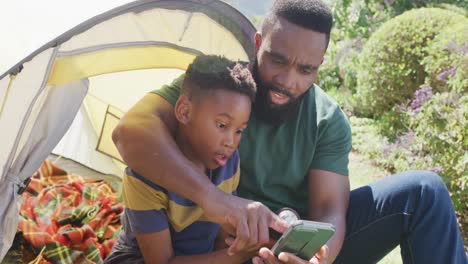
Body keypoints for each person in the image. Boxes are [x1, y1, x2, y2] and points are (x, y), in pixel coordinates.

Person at [112, 0, 468, 263]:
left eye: (306, 70)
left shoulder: (327, 120)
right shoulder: (216, 87)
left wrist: (318, 257)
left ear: (320, 66)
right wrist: (217, 201)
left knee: (424, 191)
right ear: (257, 44)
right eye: (278, 60)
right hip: (217, 245)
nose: (287, 81)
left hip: (288, 248)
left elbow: (330, 211)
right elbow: (130, 133)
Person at [105, 55, 259, 263]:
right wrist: (240, 255)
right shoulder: (144, 175)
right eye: (222, 125)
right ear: (184, 111)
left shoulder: (229, 163)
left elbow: (222, 242)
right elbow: (161, 262)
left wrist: (251, 247)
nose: (231, 142)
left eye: (240, 130)